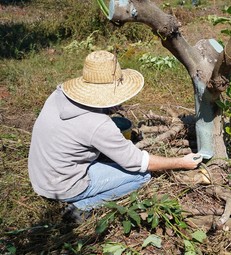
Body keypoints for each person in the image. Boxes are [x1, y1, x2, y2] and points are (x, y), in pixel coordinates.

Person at [28, 50, 202, 222]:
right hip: (65, 185)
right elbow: (137, 162)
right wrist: (180, 162)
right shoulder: (98, 124)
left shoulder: (58, 95)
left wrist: (104, 107)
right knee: (142, 176)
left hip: (40, 177)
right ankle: (82, 206)